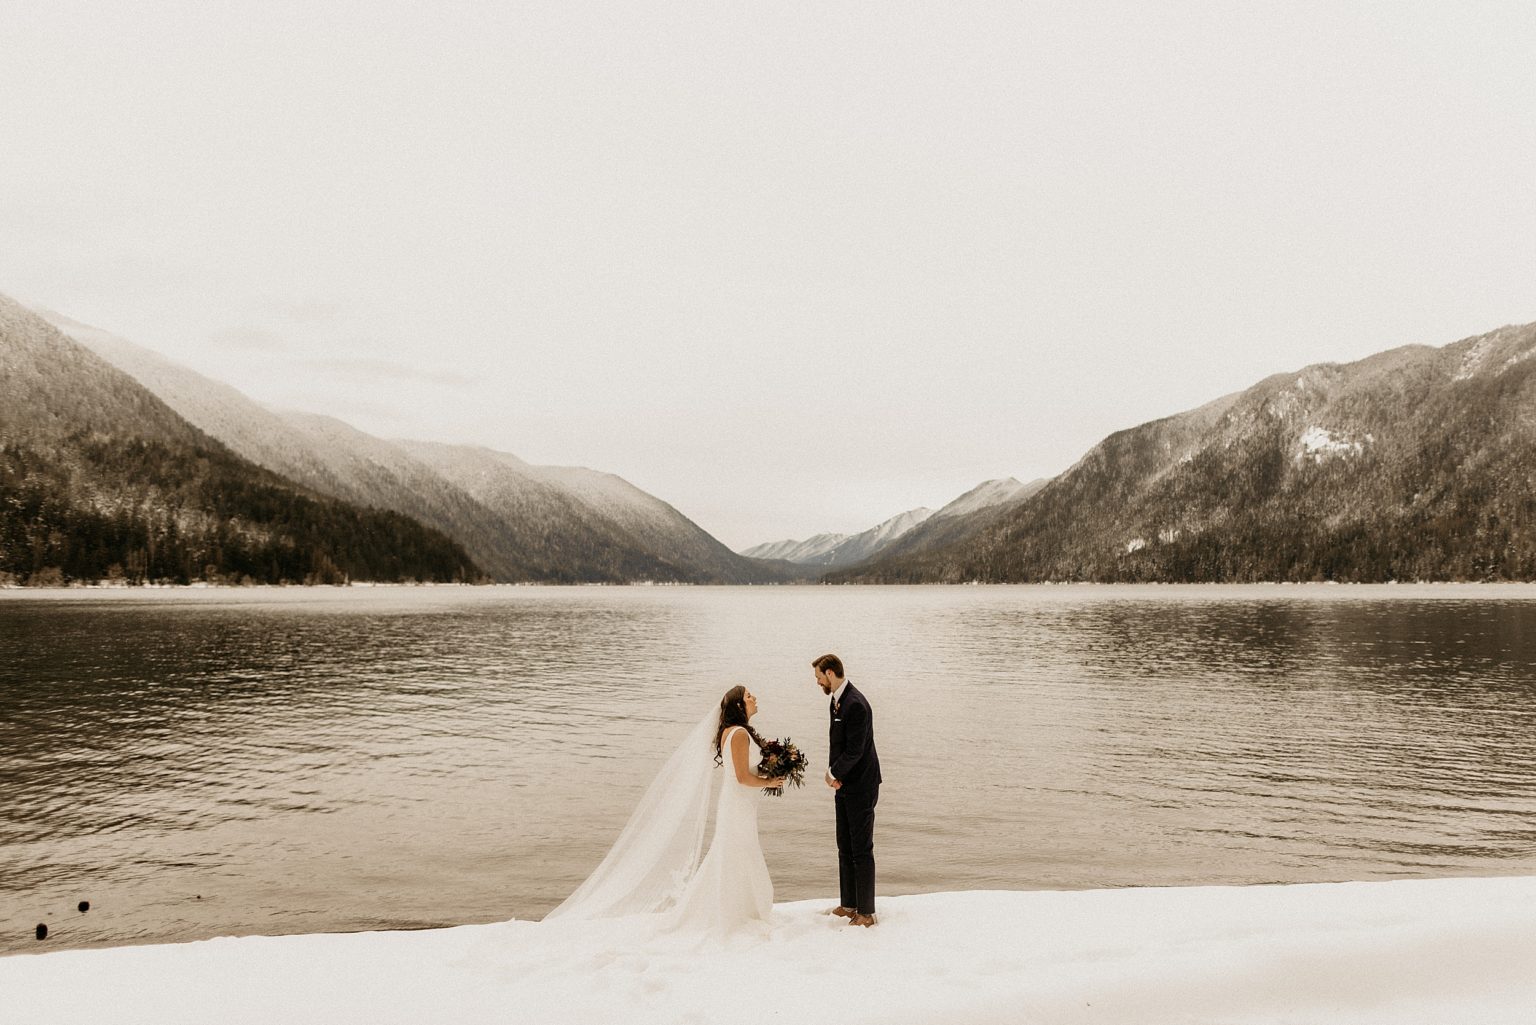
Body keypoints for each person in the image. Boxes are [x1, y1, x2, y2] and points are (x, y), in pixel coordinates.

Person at [543, 685, 785, 934]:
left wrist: (773, 768)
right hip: (737, 804)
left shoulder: (730, 732)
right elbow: (743, 777)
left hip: (738, 803)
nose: (754, 697)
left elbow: (738, 771)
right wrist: (770, 781)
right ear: (739, 705)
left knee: (735, 851)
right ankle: (733, 910)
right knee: (737, 851)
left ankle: (738, 907)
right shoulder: (740, 734)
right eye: (748, 696)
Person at [814, 653, 881, 927]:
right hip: (844, 783)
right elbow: (838, 745)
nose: (817, 682)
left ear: (830, 673)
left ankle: (866, 912)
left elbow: (856, 750)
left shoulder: (856, 704)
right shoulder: (836, 700)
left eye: (819, 677)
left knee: (861, 848)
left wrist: (832, 773)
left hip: (862, 784)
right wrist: (837, 777)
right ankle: (848, 903)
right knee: (844, 844)